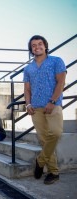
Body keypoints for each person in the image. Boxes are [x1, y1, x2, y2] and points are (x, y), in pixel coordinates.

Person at [23, 35, 66, 185]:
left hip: (53, 106)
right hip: (36, 109)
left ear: (45, 45)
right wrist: (28, 105)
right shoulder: (28, 68)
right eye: (33, 45)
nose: (37, 47)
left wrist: (52, 101)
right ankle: (53, 172)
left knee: (55, 133)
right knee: (44, 140)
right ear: (31, 49)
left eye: (39, 44)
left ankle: (40, 161)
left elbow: (61, 82)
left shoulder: (56, 61)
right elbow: (27, 89)